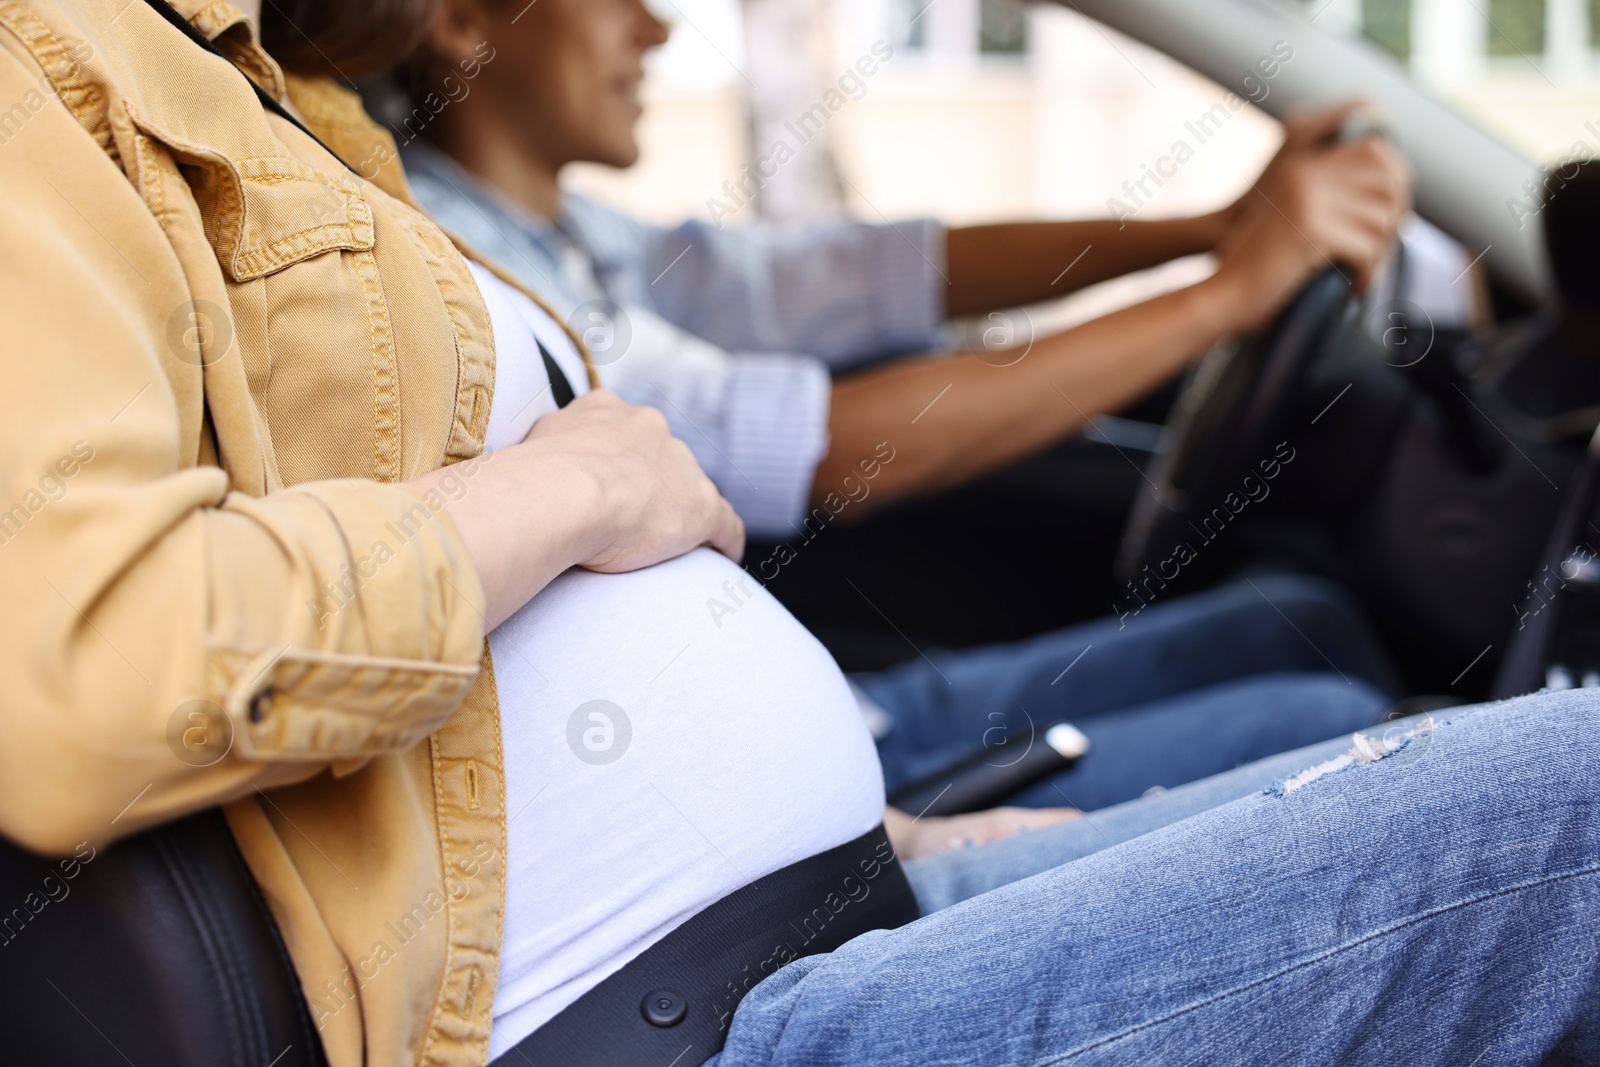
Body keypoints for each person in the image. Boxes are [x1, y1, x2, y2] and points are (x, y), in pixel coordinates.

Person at [1, 6, 1593, 1067]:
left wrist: (889, 833)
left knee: (1405, 730)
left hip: (837, 895)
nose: (660, 19)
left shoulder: (283, 117)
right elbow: (99, 668)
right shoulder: (66, 84)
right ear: (483, 26)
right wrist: (584, 488)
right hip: (708, 1007)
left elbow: (836, 274)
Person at [389, 0, 1412, 537]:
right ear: (462, 22)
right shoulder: (457, 264)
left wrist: (1214, 230)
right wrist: (1228, 297)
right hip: (847, 817)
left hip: (851, 737)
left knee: (1298, 624)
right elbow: (821, 450)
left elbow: (837, 274)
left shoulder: (566, 230)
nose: (656, 26)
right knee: (1313, 673)